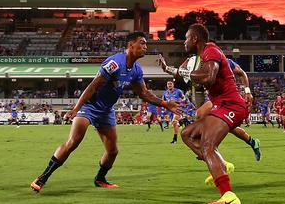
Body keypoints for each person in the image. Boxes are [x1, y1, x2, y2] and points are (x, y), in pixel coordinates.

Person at [30, 31, 179, 192]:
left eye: (145, 44)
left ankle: (100, 179)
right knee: (73, 142)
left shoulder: (136, 69)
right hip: (89, 107)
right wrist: (76, 109)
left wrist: (165, 103)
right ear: (131, 45)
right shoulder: (115, 62)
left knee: (113, 151)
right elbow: (93, 85)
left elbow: (143, 93)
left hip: (106, 111)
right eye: (142, 43)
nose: (145, 46)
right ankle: (42, 178)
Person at [159, 24, 248, 204]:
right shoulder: (200, 57)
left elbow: (208, 77)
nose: (184, 42)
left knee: (207, 147)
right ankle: (219, 165)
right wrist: (170, 70)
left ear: (194, 39)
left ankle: (228, 196)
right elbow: (191, 75)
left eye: (186, 38)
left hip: (231, 106)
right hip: (222, 106)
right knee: (186, 134)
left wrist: (186, 73)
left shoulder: (211, 50)